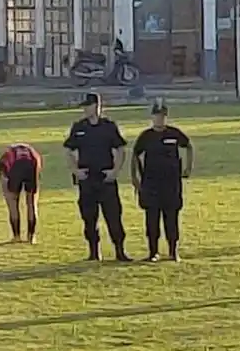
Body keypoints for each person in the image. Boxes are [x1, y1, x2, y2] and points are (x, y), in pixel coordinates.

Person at [64, 93, 131, 262]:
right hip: (87, 180)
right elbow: (69, 151)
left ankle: (119, 251)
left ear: (97, 106)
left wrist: (115, 171)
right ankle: (94, 252)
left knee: (113, 216)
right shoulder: (79, 128)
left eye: (88, 105)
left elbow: (121, 149)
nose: (85, 109)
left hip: (105, 179)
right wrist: (75, 171)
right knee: (89, 218)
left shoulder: (108, 127)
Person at [131, 103, 192, 261]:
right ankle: (153, 252)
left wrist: (188, 168)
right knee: (152, 219)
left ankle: (173, 251)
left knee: (171, 218)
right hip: (151, 184)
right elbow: (135, 154)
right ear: (152, 117)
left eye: (162, 116)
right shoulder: (146, 136)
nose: (159, 119)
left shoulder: (174, 133)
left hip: (171, 184)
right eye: (156, 116)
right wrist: (135, 177)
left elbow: (188, 146)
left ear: (166, 117)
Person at [0, 143, 42, 244]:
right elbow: (38, 167)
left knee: (12, 204)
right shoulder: (33, 153)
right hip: (32, 164)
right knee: (31, 204)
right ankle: (31, 237)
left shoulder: (5, 158)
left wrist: (8, 193)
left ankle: (16, 236)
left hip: (13, 166)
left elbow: (3, 179)